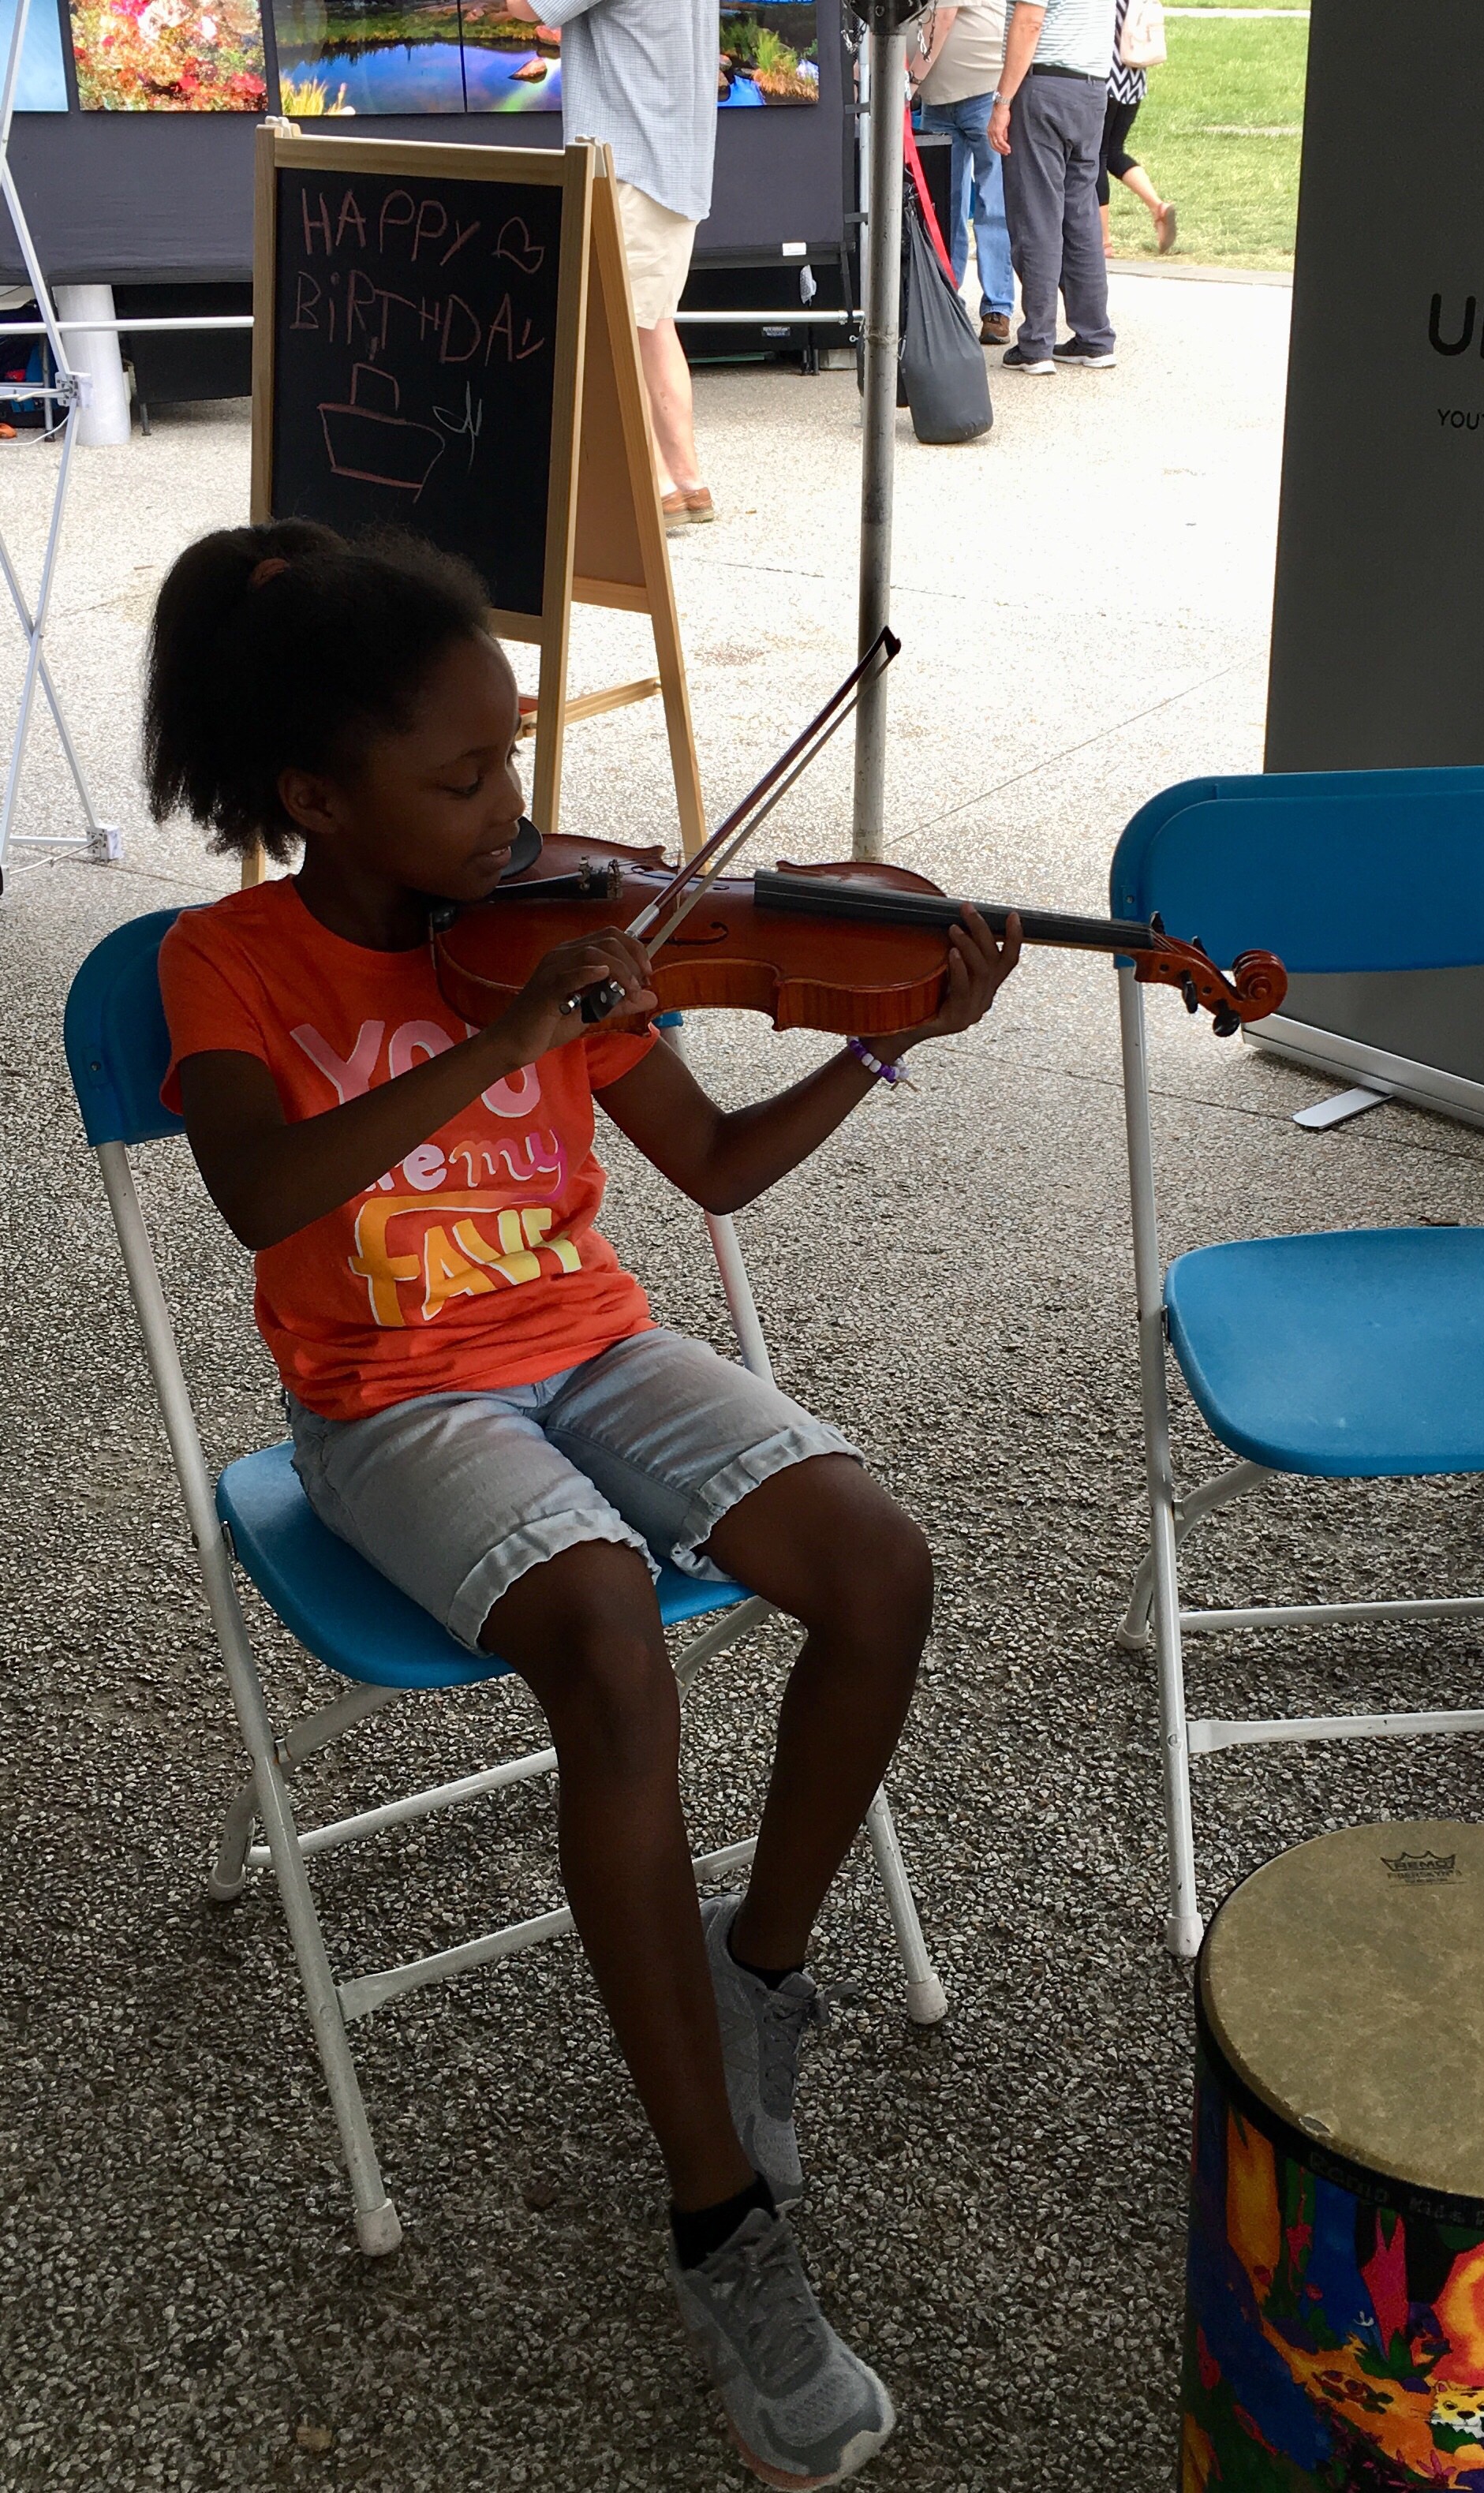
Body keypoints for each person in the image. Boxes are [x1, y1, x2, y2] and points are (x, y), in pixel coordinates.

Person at [144, 521, 1021, 2489]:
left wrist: (878, 1039)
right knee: (609, 1629)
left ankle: (758, 1968)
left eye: (512, 757)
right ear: (315, 796)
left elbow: (704, 1165)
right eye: (459, 779)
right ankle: (718, 2221)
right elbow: (266, 1200)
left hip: (590, 1339)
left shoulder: (552, 923)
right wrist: (497, 1038)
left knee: (879, 1564)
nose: (514, 806)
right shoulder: (235, 963)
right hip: (386, 1402)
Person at [507, 0, 719, 529]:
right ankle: (689, 485)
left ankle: (652, 490)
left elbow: (524, 7)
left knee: (609, 332)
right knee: (652, 325)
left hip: (629, 168)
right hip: (676, 168)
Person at [988, 0, 1116, 375]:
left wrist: (1003, 101)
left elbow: (1030, 22)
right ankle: (1094, 337)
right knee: (1081, 215)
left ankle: (1036, 343)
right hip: (1091, 88)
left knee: (1037, 215)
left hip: (1043, 85)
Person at [908, 0, 1015, 347]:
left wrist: (908, 84)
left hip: (983, 93)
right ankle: (946, 303)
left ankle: (997, 308)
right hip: (938, 101)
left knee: (991, 204)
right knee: (943, 207)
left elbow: (943, 18)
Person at [1098, 0, 1175, 257]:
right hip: (1133, 75)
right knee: (1114, 151)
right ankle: (1158, 207)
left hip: (1104, 74)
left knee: (1097, 156)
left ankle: (1103, 240)